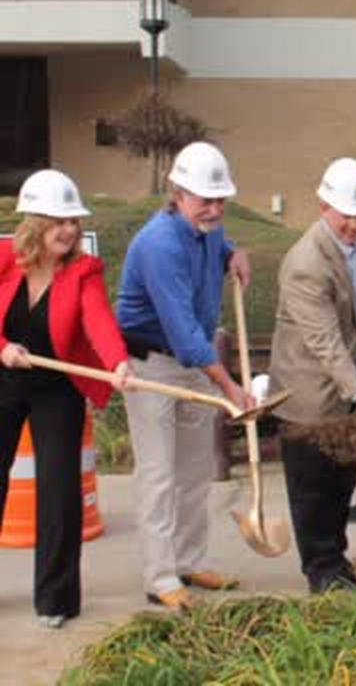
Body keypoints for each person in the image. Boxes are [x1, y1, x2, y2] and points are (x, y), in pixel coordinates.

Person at [116, 142, 252, 611]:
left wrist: (234, 253)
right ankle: (160, 577)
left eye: (220, 200)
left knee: (195, 470)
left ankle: (191, 560)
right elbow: (184, 331)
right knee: (158, 472)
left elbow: (216, 243)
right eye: (203, 200)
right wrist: (231, 387)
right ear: (177, 193)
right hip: (151, 362)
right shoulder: (158, 244)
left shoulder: (209, 229)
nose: (214, 209)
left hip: (191, 361)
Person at [0, 170, 131, 629]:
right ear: (34, 224)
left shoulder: (83, 272)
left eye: (73, 221)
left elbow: (98, 321)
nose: (69, 230)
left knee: (59, 491)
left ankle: (56, 599)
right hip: (5, 379)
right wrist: (2, 348)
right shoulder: (2, 259)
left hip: (58, 387)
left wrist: (117, 363)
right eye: (58, 221)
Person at [268, 157, 356, 595]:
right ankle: (320, 572)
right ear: (323, 206)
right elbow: (325, 343)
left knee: (342, 480)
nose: (355, 223)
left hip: (344, 384)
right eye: (346, 215)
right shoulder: (305, 263)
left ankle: (337, 561)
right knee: (313, 485)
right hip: (308, 392)